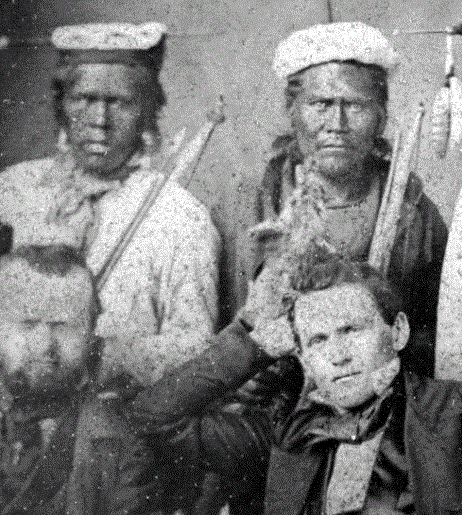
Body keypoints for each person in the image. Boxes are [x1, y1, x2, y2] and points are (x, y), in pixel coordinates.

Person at [121, 254, 462, 515]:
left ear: (398, 331)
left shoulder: (452, 413)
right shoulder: (285, 434)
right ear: (302, 356)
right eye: (318, 340)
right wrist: (257, 347)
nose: (338, 356)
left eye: (351, 331)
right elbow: (150, 415)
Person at [0, 22, 221, 385]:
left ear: (146, 111)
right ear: (62, 104)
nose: (99, 121)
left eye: (118, 102)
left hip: (114, 423)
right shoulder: (12, 192)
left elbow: (197, 349)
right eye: (84, 99)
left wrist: (104, 356)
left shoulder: (181, 217)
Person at [247, 22, 447, 376]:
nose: (336, 122)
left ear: (381, 118)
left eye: (355, 106)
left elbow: (437, 336)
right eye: (321, 104)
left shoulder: (415, 215)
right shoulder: (258, 204)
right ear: (292, 113)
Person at [0, 244, 152, 514]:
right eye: (27, 323)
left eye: (64, 326)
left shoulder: (116, 436)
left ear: (93, 333)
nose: (45, 345)